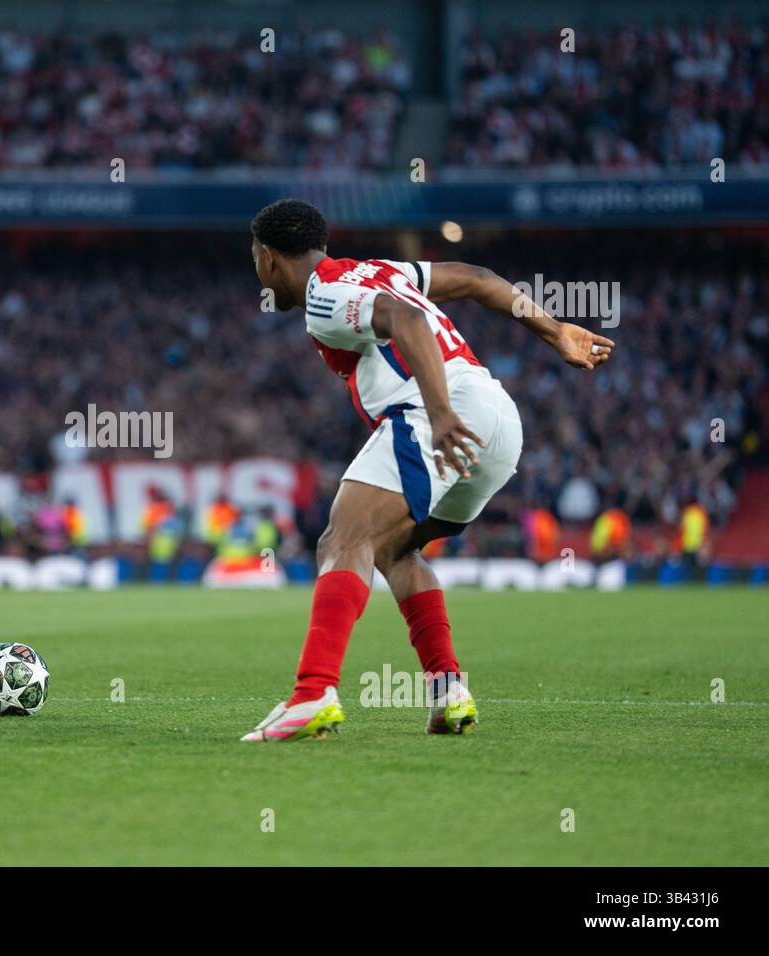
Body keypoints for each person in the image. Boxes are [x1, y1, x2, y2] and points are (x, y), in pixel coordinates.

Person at [241, 199, 614, 741]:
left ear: (270, 258)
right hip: (498, 423)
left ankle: (312, 693)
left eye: (254, 260)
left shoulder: (324, 294)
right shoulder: (380, 270)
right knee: (392, 549)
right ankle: (447, 689)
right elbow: (475, 278)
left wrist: (439, 413)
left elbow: (408, 318)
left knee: (342, 538)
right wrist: (553, 330)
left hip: (443, 412)